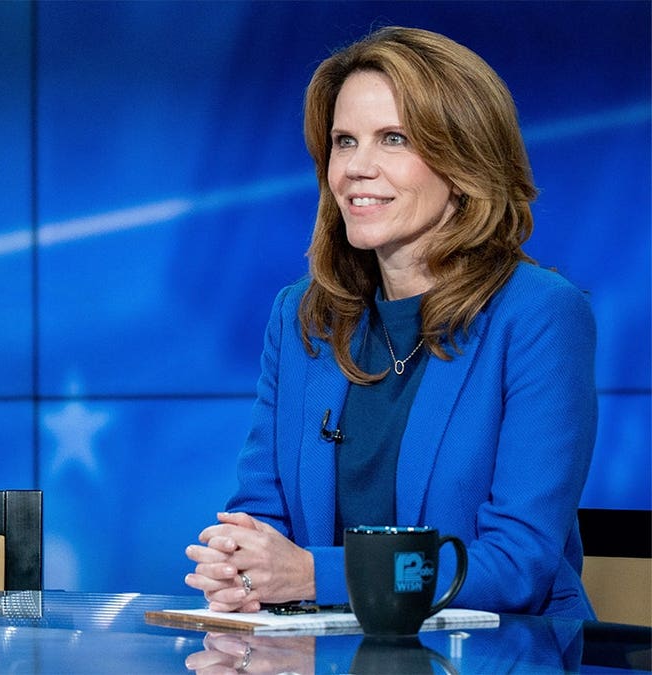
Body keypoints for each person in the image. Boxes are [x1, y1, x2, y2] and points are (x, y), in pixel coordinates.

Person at [184, 27, 597, 618]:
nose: (357, 168)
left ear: (464, 159)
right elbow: (263, 510)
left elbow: (516, 565)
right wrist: (239, 561)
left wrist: (310, 574)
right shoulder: (303, 316)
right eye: (344, 141)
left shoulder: (539, 314)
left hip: (497, 654)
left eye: (394, 139)